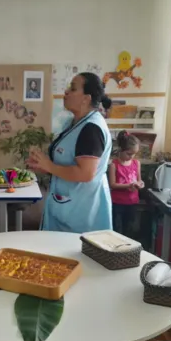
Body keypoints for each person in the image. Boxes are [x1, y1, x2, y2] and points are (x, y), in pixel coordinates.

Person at [27, 72, 114, 233]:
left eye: (73, 89)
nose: (66, 92)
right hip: (68, 207)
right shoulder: (74, 123)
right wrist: (45, 166)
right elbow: (67, 163)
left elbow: (86, 174)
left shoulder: (91, 129)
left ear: (86, 98)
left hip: (82, 211)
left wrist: (50, 166)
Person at [108, 132, 144, 237]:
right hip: (118, 203)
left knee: (129, 230)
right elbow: (112, 184)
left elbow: (139, 180)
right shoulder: (114, 165)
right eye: (129, 153)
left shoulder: (136, 163)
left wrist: (140, 184)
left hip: (132, 202)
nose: (131, 156)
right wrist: (129, 185)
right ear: (121, 149)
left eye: (134, 154)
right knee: (117, 230)